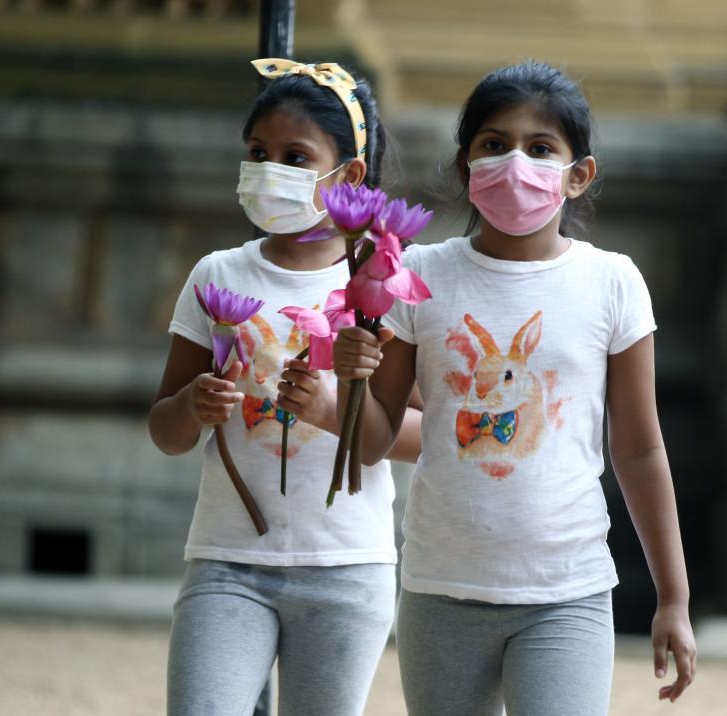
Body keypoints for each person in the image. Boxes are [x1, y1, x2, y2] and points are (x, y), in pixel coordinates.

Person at [333, 62, 697, 715]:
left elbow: (640, 449)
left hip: (567, 593)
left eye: (540, 148)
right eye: (494, 144)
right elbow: (373, 438)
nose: (515, 163)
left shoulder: (612, 283)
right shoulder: (415, 276)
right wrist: (347, 378)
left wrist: (674, 597)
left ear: (578, 173)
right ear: (465, 165)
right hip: (439, 590)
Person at [149, 59, 422, 716]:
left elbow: (424, 433)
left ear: (348, 176)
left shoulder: (384, 283)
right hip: (226, 563)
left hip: (346, 569)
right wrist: (192, 405)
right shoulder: (216, 275)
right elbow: (165, 431)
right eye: (257, 153)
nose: (269, 170)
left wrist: (332, 409)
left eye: (295, 157)